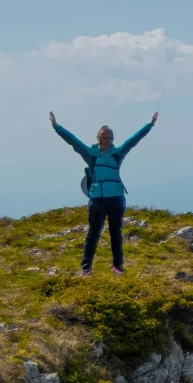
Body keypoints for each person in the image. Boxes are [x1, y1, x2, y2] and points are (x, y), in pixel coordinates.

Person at [50, 110, 157, 274]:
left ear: (113, 140)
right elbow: (73, 142)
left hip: (116, 198)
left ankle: (117, 266)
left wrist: (149, 125)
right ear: (97, 138)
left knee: (116, 233)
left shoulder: (117, 153)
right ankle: (86, 268)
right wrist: (57, 127)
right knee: (93, 233)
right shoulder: (90, 154)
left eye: (109, 138)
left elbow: (133, 141)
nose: (106, 141)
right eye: (102, 138)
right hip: (97, 199)